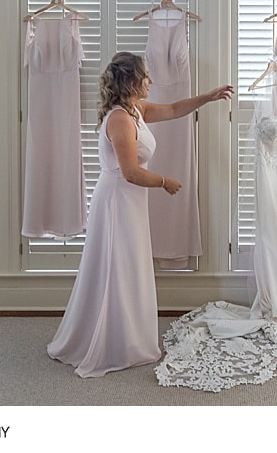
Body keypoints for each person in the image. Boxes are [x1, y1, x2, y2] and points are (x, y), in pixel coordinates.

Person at [47, 51, 233, 377]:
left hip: (128, 200)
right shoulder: (120, 119)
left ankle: (127, 336)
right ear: (131, 80)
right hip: (118, 199)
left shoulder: (136, 110)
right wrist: (164, 181)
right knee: (117, 265)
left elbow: (174, 109)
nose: (151, 80)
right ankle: (113, 342)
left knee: (128, 265)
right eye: (146, 76)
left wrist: (209, 97)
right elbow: (131, 172)